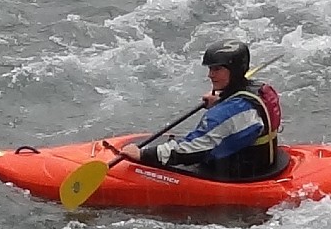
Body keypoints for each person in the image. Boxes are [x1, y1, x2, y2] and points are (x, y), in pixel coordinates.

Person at [120, 39, 283, 181]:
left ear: (234, 71)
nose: (210, 75)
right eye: (210, 69)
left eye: (217, 69)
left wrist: (144, 155)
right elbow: (242, 115)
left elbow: (194, 149)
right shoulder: (258, 89)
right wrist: (222, 99)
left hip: (239, 172)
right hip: (263, 162)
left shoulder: (228, 114)